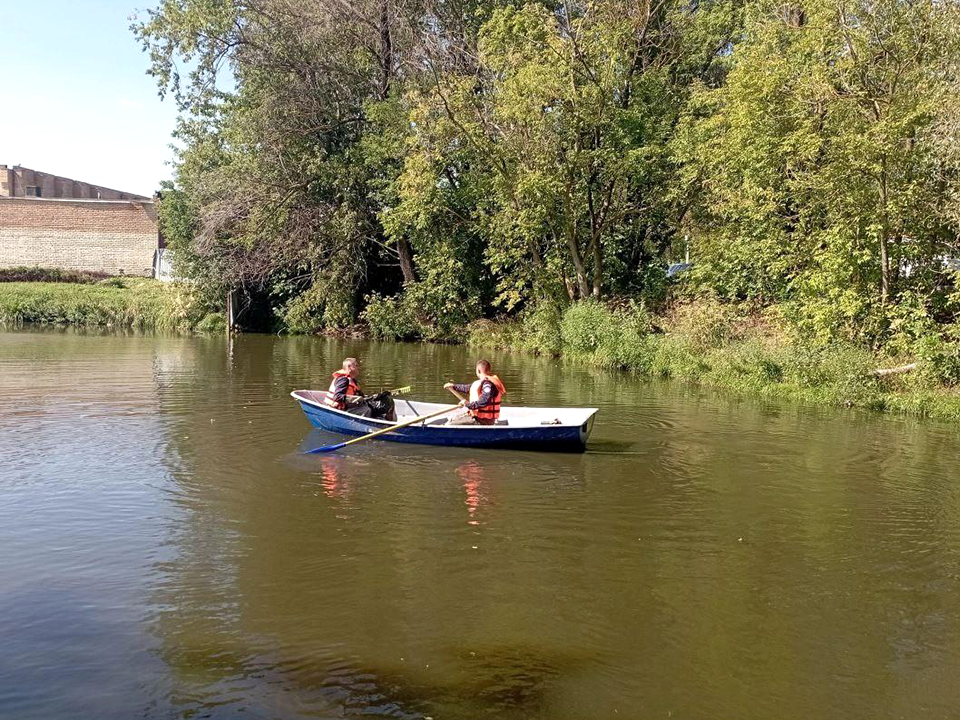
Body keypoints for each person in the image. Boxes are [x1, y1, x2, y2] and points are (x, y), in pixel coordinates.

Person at [324, 357, 396, 420]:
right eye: (356, 365)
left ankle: (384, 419)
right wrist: (355, 399)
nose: (359, 367)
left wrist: (375, 396)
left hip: (350, 405)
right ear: (349, 367)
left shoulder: (352, 380)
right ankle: (369, 425)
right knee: (367, 409)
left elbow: (361, 396)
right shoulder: (343, 380)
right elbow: (337, 397)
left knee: (387, 400)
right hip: (340, 409)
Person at [443, 360, 506, 425]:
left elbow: (484, 401)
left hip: (483, 421)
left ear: (478, 371)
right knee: (451, 418)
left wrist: (467, 404)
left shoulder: (488, 385)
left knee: (449, 424)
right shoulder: (484, 383)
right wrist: (454, 386)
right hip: (476, 416)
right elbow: (469, 388)